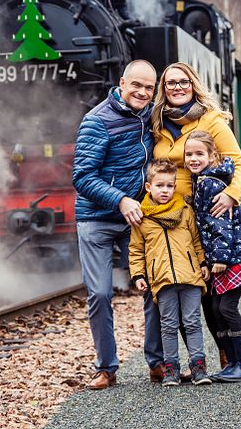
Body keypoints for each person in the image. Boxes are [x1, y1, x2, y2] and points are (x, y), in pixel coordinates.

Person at [151, 62, 241, 370]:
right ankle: (194, 360)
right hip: (172, 218)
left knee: (210, 289)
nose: (177, 87)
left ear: (192, 84)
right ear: (163, 90)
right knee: (185, 286)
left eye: (183, 82)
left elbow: (239, 165)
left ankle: (228, 352)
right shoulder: (157, 125)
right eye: (170, 83)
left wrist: (231, 195)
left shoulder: (212, 121)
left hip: (207, 215)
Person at [72, 60, 162, 390]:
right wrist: (120, 200)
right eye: (135, 85)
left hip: (136, 219)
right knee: (99, 292)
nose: (141, 92)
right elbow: (82, 176)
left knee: (154, 288)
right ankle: (106, 368)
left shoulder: (152, 116)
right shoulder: (97, 121)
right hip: (97, 218)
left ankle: (158, 362)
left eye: (148, 88)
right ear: (122, 82)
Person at [185, 131, 241, 382]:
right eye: (189, 154)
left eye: (199, 154)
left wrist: (218, 259)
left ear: (213, 155)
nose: (193, 159)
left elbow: (221, 225)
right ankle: (233, 364)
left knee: (226, 308)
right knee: (218, 309)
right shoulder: (201, 181)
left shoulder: (210, 183)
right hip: (228, 254)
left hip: (236, 255)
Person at [128, 159, 211, 386]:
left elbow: (196, 239)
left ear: (175, 187)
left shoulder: (184, 211)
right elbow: (136, 249)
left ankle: (198, 369)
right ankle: (171, 370)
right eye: (160, 186)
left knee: (192, 322)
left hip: (190, 277)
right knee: (168, 324)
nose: (165, 191)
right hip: (161, 280)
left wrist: (202, 262)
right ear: (148, 187)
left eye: (169, 186)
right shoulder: (141, 217)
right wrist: (138, 275)